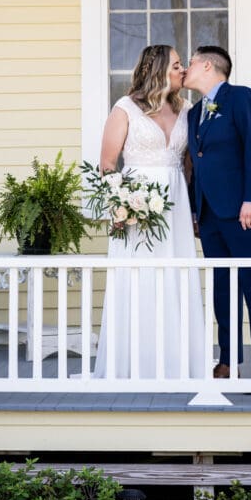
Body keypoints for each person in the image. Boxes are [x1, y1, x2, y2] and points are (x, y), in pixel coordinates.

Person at [93, 44, 205, 379]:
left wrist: (195, 208)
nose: (183, 69)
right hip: (136, 203)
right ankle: (135, 363)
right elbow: (107, 164)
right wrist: (120, 205)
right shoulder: (125, 108)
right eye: (176, 64)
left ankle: (177, 362)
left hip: (176, 205)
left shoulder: (186, 109)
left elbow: (187, 167)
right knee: (139, 277)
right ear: (157, 70)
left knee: (176, 276)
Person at [184, 45, 251, 379]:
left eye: (191, 62)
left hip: (245, 211)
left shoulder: (242, 98)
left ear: (208, 66)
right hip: (210, 216)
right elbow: (194, 165)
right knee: (222, 288)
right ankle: (228, 360)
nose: (186, 67)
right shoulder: (194, 114)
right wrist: (196, 211)